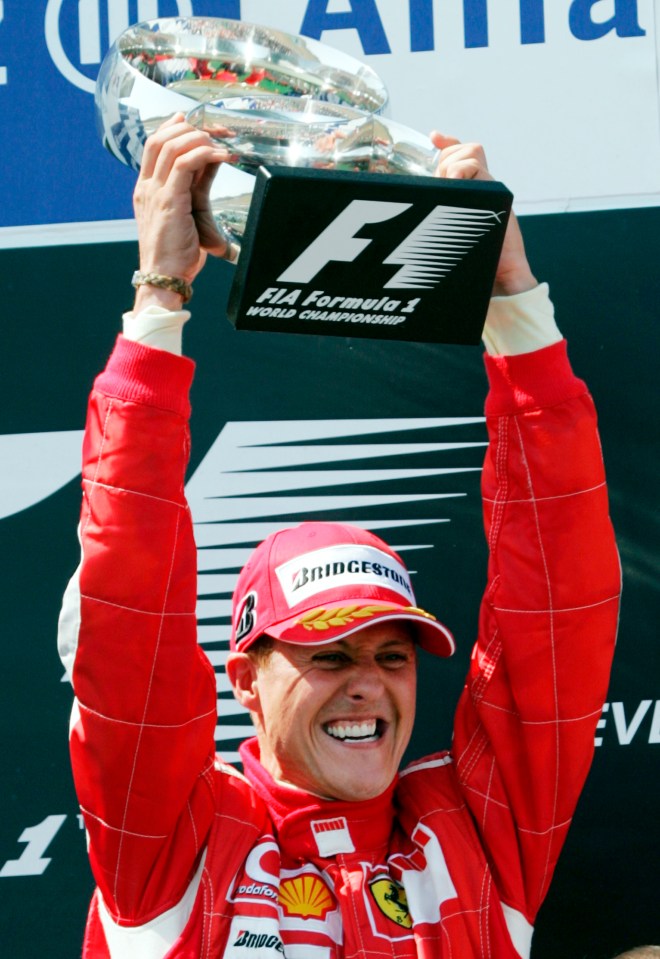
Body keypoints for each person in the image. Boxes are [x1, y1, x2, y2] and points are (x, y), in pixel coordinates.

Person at [58, 115, 621, 959]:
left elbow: (559, 604)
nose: (368, 684)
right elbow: (127, 606)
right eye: (327, 655)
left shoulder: (473, 829)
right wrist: (159, 302)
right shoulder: (177, 836)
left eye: (392, 655)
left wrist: (513, 306)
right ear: (245, 679)